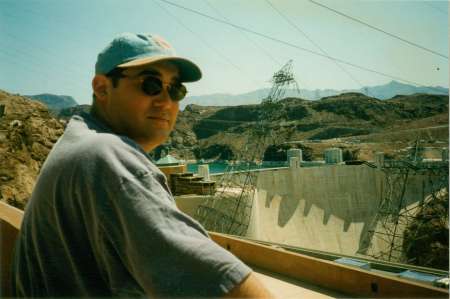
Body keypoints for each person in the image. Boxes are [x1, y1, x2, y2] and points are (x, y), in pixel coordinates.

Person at [11, 33, 274, 298]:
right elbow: (219, 283)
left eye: (176, 89)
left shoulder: (79, 140)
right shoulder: (108, 156)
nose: (166, 101)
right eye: (151, 84)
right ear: (102, 88)